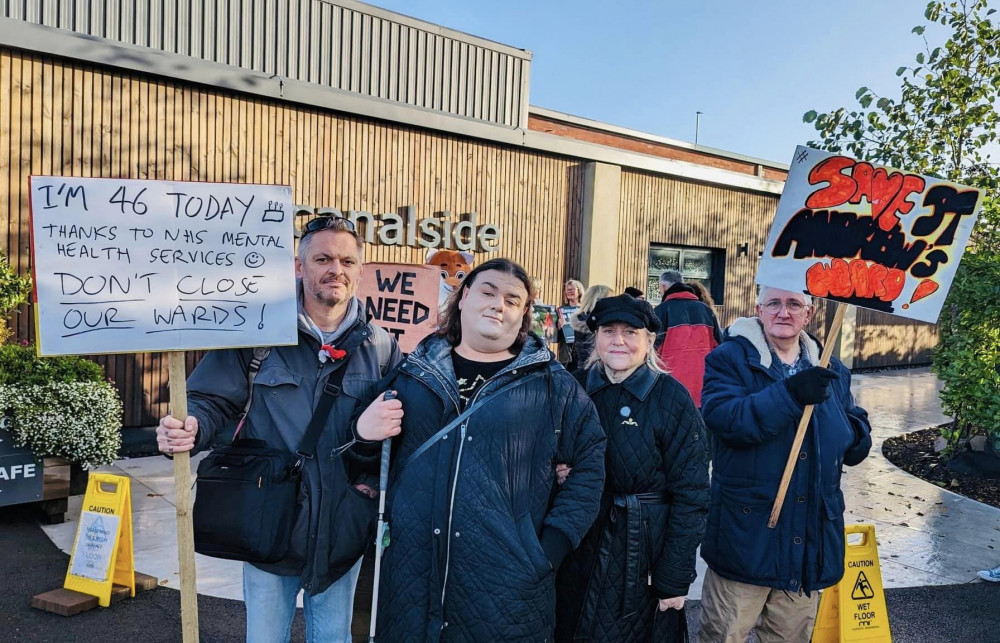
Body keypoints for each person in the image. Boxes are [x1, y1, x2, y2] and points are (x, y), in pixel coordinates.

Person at [156, 216, 402, 643]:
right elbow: (211, 400)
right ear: (299, 266)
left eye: (347, 260)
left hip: (342, 528)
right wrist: (191, 425)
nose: (335, 270)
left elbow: (397, 436)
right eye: (322, 258)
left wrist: (366, 492)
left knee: (335, 638)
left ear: (361, 270)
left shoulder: (381, 348)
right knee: (266, 637)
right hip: (267, 522)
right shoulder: (257, 334)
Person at [354, 257, 607, 642]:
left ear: (523, 314)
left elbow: (590, 464)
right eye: (488, 292)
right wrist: (363, 433)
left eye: (512, 299)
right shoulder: (412, 373)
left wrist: (547, 551)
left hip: (506, 585)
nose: (497, 304)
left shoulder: (553, 385)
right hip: (412, 577)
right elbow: (372, 463)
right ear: (464, 296)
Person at [698, 286, 872, 643]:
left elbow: (853, 423)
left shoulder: (829, 367)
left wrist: (855, 434)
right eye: (774, 303)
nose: (784, 312)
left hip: (806, 542)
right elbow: (727, 419)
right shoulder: (729, 359)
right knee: (723, 635)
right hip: (747, 538)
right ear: (758, 310)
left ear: (808, 314)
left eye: (794, 304)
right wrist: (790, 394)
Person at [556, 295, 709, 642]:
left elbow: (693, 494)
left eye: (630, 332)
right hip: (579, 545)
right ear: (596, 337)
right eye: (609, 331)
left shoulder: (672, 398)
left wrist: (674, 575)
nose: (619, 341)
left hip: (643, 556)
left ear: (649, 340)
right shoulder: (573, 388)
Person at [652, 270, 722, 407]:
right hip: (703, 389)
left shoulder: (660, 311)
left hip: (669, 391)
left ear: (663, 287)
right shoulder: (706, 311)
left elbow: (650, 353)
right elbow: (719, 348)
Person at [568, 284, 612, 372]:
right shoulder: (596, 321)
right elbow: (590, 354)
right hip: (595, 373)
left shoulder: (581, 318)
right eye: (611, 299)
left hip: (581, 371)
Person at [557, 279, 585, 366]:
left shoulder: (585, 310)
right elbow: (555, 336)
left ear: (579, 291)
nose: (569, 291)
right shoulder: (560, 310)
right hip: (565, 353)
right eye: (567, 289)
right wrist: (558, 326)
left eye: (572, 289)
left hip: (581, 351)